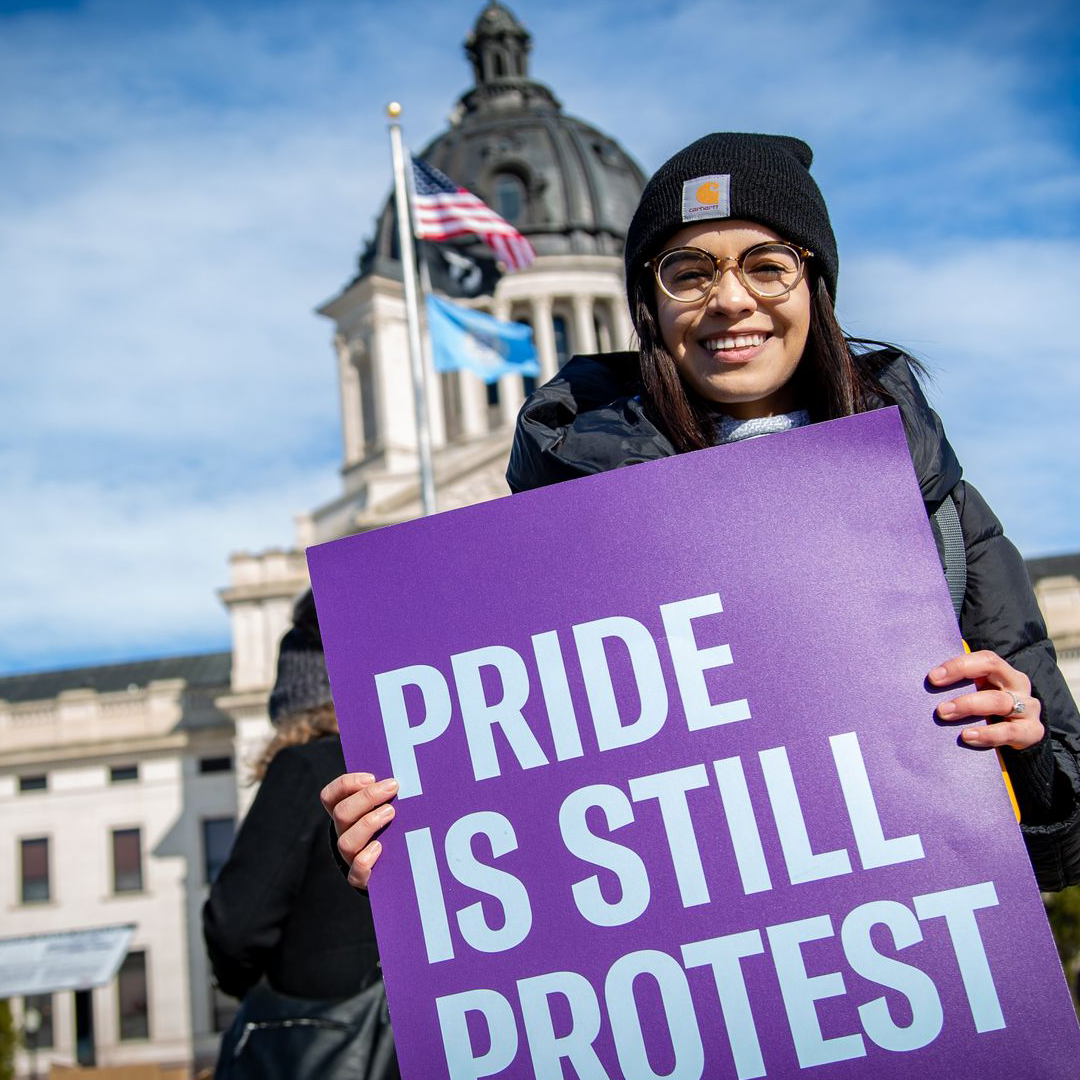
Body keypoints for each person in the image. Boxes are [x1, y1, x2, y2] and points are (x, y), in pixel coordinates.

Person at [322, 132, 1080, 894]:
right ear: (650, 307)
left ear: (813, 285)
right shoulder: (537, 529)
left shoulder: (935, 503)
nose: (729, 299)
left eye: (767, 265)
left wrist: (1027, 747)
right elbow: (498, 791)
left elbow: (1069, 843)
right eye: (688, 272)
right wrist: (390, 841)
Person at [205, 590, 398, 1080]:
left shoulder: (302, 768)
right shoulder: (401, 768)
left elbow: (236, 927)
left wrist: (243, 981)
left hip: (328, 1037)